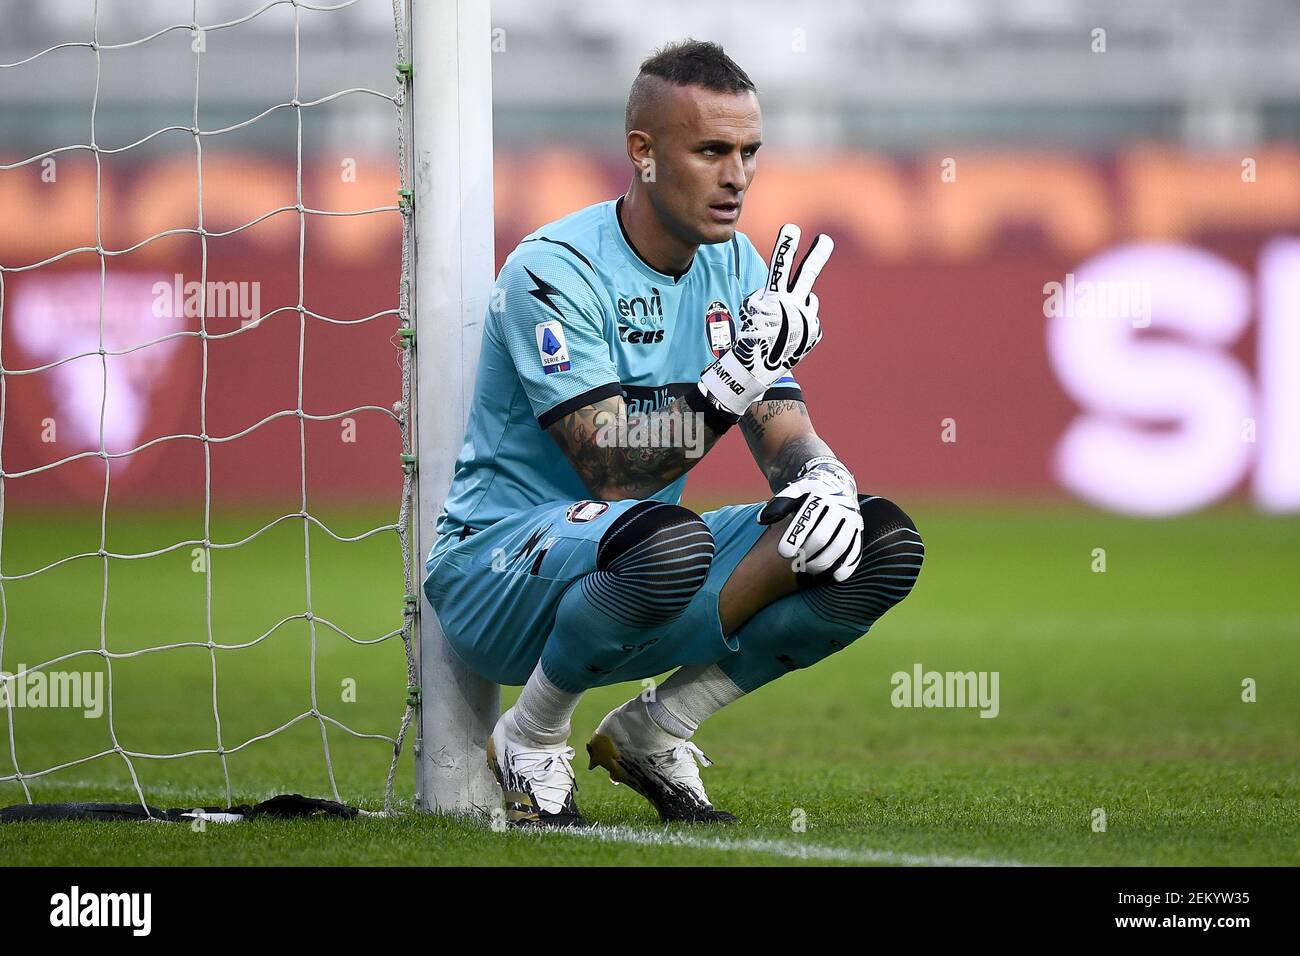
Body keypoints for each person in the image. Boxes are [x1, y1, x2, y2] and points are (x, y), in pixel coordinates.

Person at [423, 39, 924, 826]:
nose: (737, 177)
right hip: (498, 572)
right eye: (712, 150)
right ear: (643, 154)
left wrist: (820, 478)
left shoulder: (736, 266)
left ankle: (657, 729)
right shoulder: (553, 270)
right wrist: (728, 381)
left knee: (873, 542)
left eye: (750, 152)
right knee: (667, 538)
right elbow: (613, 470)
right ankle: (533, 731)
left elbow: (779, 426)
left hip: (636, 575)